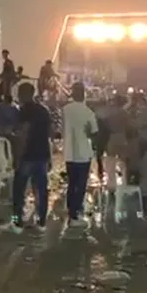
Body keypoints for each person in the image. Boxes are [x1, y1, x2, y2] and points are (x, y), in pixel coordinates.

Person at [12, 82, 52, 228]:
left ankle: (17, 218)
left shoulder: (24, 111)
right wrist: (49, 156)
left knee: (19, 189)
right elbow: (49, 135)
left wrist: (17, 157)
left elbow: (23, 134)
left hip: (27, 155)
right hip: (42, 154)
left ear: (23, 94)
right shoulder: (44, 110)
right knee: (41, 188)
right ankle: (41, 218)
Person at [61, 82, 97, 226]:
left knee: (72, 182)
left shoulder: (65, 110)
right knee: (80, 185)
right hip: (83, 153)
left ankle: (71, 208)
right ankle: (74, 216)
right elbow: (94, 132)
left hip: (69, 152)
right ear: (84, 94)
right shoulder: (88, 112)